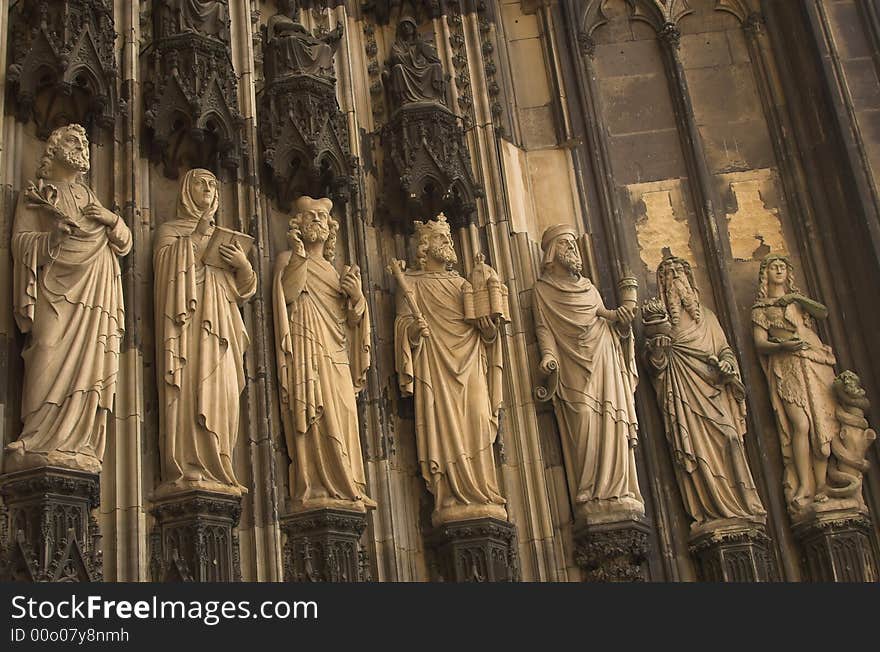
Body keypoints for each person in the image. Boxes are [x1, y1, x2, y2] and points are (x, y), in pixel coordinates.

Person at [5, 124, 131, 474]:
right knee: (45, 346)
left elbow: (123, 242)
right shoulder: (37, 193)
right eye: (74, 141)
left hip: (96, 289)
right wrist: (51, 240)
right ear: (54, 148)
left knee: (89, 365)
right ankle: (37, 435)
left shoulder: (91, 198)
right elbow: (20, 242)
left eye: (86, 143)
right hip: (56, 288)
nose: (83, 147)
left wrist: (112, 219)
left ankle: (80, 441)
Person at [393, 215, 506, 526]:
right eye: (442, 239)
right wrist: (414, 330)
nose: (449, 244)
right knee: (445, 429)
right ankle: (450, 494)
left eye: (449, 238)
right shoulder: (411, 283)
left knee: (479, 421)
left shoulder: (464, 285)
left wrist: (489, 330)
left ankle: (481, 490)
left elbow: (487, 333)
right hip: (436, 370)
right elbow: (403, 327)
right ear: (425, 247)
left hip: (470, 366)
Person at [154, 168, 256, 495]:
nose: (209, 188)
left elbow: (244, 291)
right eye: (201, 182)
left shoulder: (225, 236)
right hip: (190, 331)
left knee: (224, 392)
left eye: (214, 183)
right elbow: (164, 271)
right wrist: (198, 236)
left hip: (223, 329)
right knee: (191, 392)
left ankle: (220, 465)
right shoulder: (171, 232)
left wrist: (243, 265)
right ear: (186, 190)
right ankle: (189, 465)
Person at [644, 256, 765, 531]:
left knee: (732, 438)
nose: (675, 278)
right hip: (686, 397)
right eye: (667, 275)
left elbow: (724, 349)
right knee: (698, 454)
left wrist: (727, 365)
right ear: (662, 285)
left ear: (689, 279)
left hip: (714, 391)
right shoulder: (662, 322)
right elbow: (657, 368)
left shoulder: (708, 318)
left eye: (679, 272)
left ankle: (741, 504)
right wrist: (658, 350)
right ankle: (711, 510)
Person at [533, 224, 643, 522]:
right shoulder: (543, 291)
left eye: (574, 246)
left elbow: (605, 318)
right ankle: (591, 488)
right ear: (553, 253)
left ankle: (618, 490)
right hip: (572, 366)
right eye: (567, 246)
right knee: (582, 416)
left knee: (611, 421)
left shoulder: (590, 289)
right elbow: (544, 329)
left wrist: (621, 320)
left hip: (604, 357)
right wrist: (547, 356)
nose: (574, 251)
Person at [273, 196, 375, 512]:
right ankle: (314, 483)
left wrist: (357, 298)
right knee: (315, 416)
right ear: (298, 225)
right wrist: (299, 256)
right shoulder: (288, 258)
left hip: (337, 356)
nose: (317, 221)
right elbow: (287, 294)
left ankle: (349, 483)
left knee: (344, 415)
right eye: (310, 216)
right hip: (307, 353)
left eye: (322, 217)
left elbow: (352, 324)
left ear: (330, 228)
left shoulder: (334, 271)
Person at [752, 254, 837, 511]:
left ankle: (821, 484)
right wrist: (784, 346)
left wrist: (796, 298)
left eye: (782, 266)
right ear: (765, 274)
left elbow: (823, 312)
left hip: (814, 362)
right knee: (801, 424)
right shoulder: (761, 308)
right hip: (787, 366)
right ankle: (803, 484)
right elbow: (760, 343)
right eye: (773, 267)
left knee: (820, 425)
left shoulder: (800, 304)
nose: (778, 270)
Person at [265, 0, 342, 80]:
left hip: (304, 47)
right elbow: (279, 26)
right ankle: (295, 70)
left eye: (292, 1)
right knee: (292, 40)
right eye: (286, 1)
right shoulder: (275, 18)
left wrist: (331, 36)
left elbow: (311, 41)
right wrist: (297, 27)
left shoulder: (299, 27)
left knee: (325, 48)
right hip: (288, 46)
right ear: (281, 4)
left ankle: (322, 73)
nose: (289, 3)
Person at [385, 16, 446, 108]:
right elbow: (395, 58)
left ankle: (437, 98)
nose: (406, 27)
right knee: (398, 68)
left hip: (422, 68)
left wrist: (437, 63)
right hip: (407, 71)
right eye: (403, 26)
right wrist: (414, 52)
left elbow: (431, 58)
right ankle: (404, 99)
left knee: (436, 66)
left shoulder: (420, 43)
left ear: (414, 28)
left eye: (408, 25)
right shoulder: (397, 45)